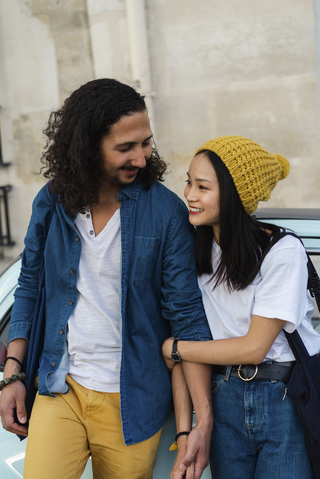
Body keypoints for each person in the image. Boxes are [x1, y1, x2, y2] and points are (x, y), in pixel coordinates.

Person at [0, 78, 213, 479]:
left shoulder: (166, 214)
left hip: (133, 399)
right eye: (126, 148)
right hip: (60, 386)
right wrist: (14, 371)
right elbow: (30, 286)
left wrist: (199, 423)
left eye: (146, 142)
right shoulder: (52, 201)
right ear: (88, 147)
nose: (143, 157)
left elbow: (187, 319)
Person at [163, 135, 320, 479]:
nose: (189, 194)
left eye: (203, 187)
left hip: (282, 399)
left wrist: (176, 348)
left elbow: (254, 347)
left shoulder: (282, 250)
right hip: (224, 395)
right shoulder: (195, 249)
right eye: (188, 182)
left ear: (233, 194)